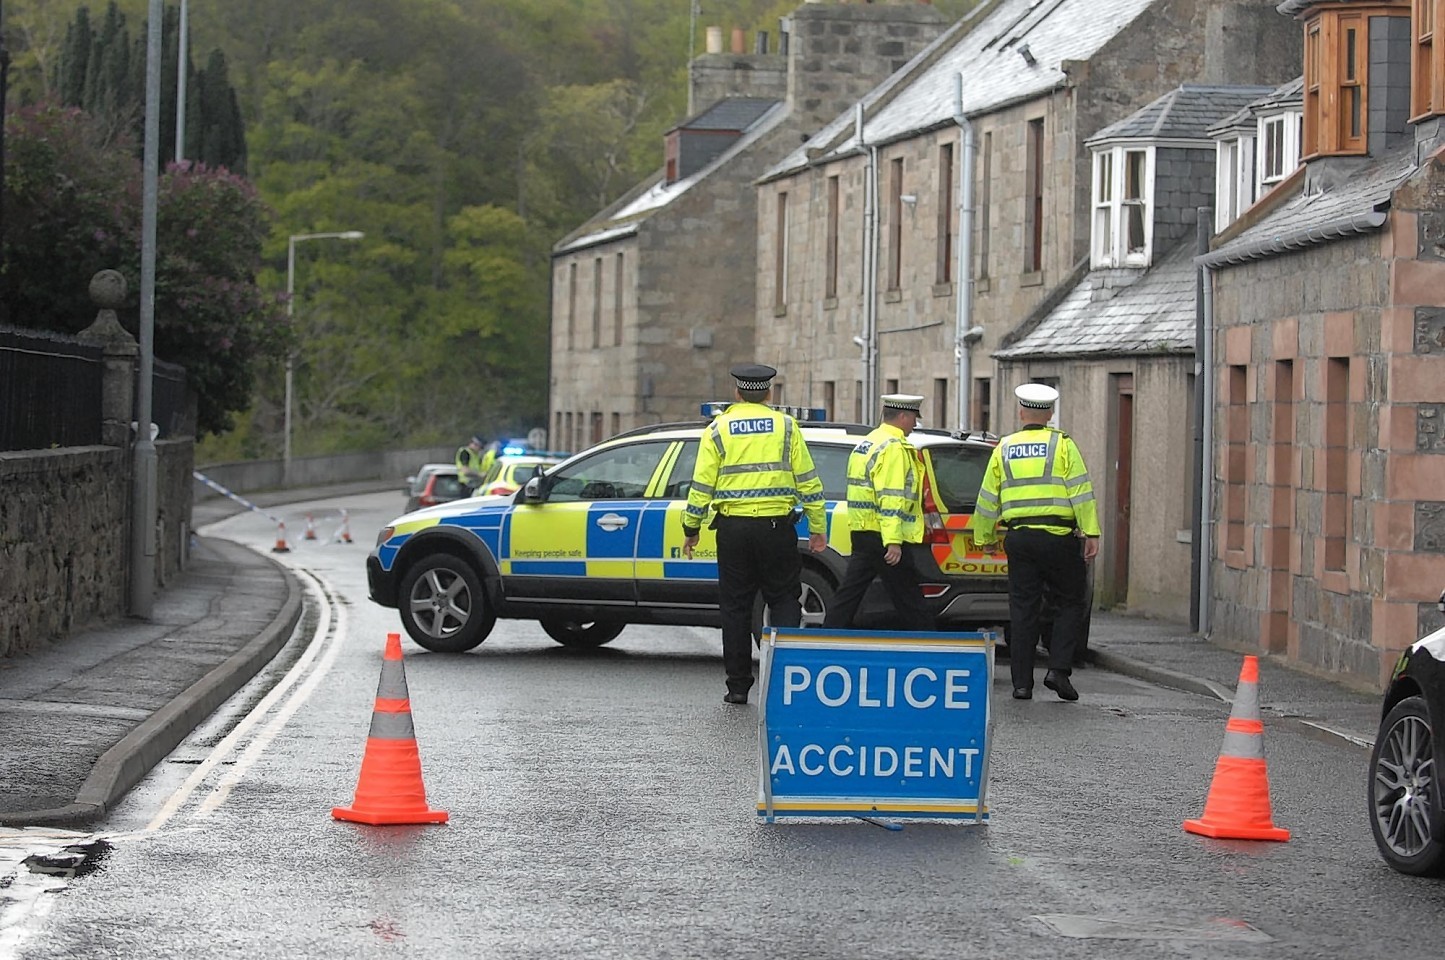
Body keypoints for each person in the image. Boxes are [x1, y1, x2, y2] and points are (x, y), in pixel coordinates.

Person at [682, 363, 828, 704]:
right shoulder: (787, 427)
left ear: (737, 393)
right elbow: (808, 479)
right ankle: (786, 680)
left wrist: (692, 527)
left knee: (735, 606)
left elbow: (701, 484)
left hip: (733, 529)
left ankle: (737, 687)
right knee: (783, 599)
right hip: (777, 529)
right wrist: (818, 526)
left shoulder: (718, 428)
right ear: (769, 393)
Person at [968, 384, 1100, 702]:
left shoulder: (1005, 447)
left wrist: (983, 538)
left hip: (1020, 538)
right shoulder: (1063, 446)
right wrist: (1091, 532)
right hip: (1058, 537)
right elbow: (1080, 490)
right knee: (1070, 601)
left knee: (1023, 608)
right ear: (1050, 414)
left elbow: (988, 497)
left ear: (1021, 412)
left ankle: (1021, 684)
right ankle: (1058, 670)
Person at [822, 394, 932, 632]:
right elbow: (890, 497)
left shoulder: (868, 442)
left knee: (850, 593)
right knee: (909, 597)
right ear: (902, 416)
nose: (915, 424)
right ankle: (931, 647)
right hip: (884, 534)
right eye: (913, 418)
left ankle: (826, 637)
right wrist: (893, 541)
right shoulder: (893, 448)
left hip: (863, 530)